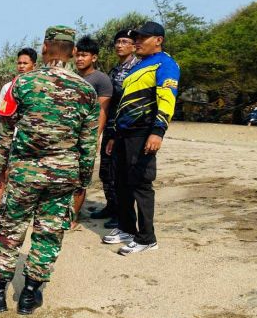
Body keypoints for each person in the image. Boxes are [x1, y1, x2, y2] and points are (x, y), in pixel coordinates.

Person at [0, 26, 98, 314]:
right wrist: (83, 179)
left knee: (11, 229)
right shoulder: (86, 91)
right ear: (72, 52)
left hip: (24, 173)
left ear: (44, 48)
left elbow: (4, 129)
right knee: (48, 233)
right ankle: (29, 295)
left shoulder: (21, 85)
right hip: (63, 176)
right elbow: (88, 142)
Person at [102, 21, 180, 255]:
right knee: (121, 182)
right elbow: (123, 104)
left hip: (143, 132)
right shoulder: (139, 66)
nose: (137, 42)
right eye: (135, 38)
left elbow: (167, 98)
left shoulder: (166, 64)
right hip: (124, 134)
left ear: (158, 40)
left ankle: (147, 238)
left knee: (141, 183)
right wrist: (115, 134)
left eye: (142, 38)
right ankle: (126, 227)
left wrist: (158, 132)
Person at [93, 30, 139, 228]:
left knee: (120, 172)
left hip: (127, 128)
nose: (120, 45)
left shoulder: (137, 68)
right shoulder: (115, 70)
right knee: (106, 170)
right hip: (111, 126)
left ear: (133, 46)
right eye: (118, 42)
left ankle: (122, 213)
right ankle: (111, 206)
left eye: (124, 42)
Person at [0, 47, 38, 231]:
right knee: (3, 178)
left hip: (31, 142)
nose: (21, 66)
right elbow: (2, 118)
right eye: (19, 62)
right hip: (11, 139)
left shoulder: (39, 87)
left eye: (25, 63)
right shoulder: (7, 88)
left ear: (34, 65)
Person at [73, 36, 113, 228]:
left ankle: (73, 216)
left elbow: (102, 111)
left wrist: (96, 136)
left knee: (82, 178)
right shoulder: (71, 77)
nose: (80, 59)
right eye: (78, 55)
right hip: (68, 136)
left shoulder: (101, 80)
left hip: (87, 136)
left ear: (94, 58)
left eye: (85, 55)